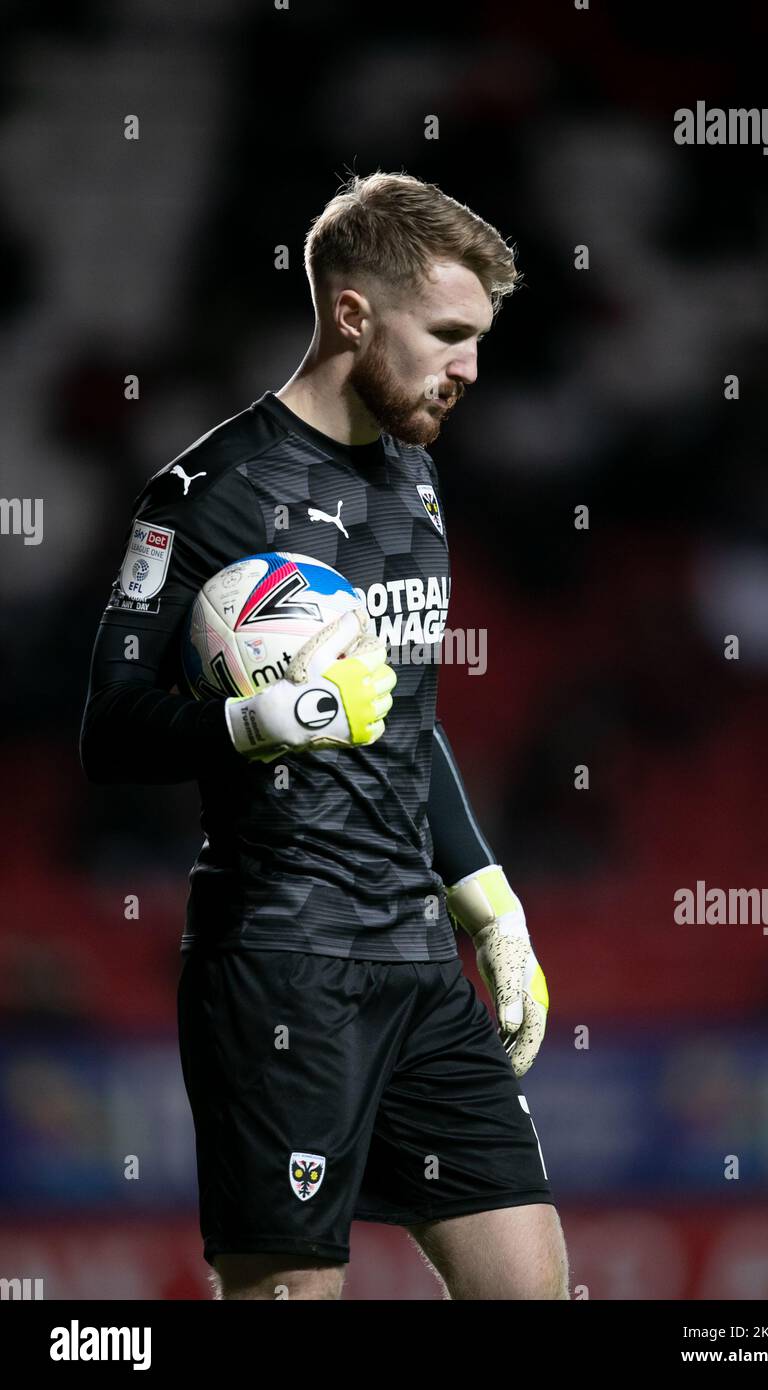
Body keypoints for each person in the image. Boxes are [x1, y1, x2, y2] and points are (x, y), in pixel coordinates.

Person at [80, 171, 567, 1300]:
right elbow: (112, 732)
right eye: (447, 333)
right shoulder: (200, 493)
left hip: (415, 960)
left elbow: (404, 719)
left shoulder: (415, 480)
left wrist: (486, 897)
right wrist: (262, 718)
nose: (470, 367)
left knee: (531, 1286)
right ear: (352, 314)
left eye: (479, 338)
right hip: (280, 967)